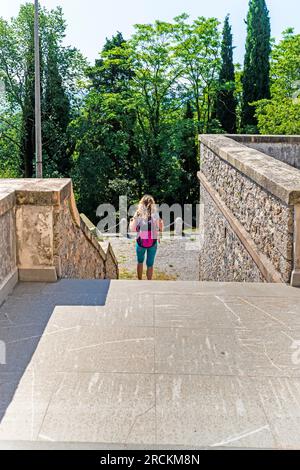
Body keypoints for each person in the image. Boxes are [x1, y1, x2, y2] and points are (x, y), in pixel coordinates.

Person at [129, 195, 164, 280]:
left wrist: (132, 221)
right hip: (153, 241)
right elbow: (160, 227)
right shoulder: (155, 214)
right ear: (152, 203)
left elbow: (133, 229)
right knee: (150, 264)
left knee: (140, 262)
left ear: (141, 203)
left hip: (140, 241)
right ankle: (149, 282)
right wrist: (159, 234)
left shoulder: (138, 213)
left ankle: (140, 280)